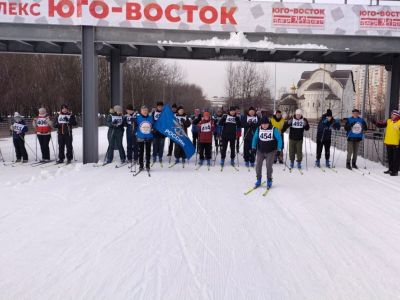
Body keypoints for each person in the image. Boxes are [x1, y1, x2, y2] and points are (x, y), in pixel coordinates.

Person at [252, 116, 282, 189]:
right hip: (260, 151)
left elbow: (279, 139)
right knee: (258, 165)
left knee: (269, 166)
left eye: (266, 124)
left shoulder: (273, 129)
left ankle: (269, 179)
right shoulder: (258, 129)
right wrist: (253, 147)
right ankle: (258, 179)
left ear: (268, 124)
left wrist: (279, 149)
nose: (264, 125)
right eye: (263, 124)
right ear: (261, 124)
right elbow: (255, 138)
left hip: (270, 151)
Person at [373, 110, 400, 176]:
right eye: (392, 114)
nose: (392, 116)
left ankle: (395, 171)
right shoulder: (389, 121)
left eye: (393, 115)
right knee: (390, 157)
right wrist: (374, 122)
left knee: (396, 158)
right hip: (388, 142)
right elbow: (381, 125)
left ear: (397, 115)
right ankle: (390, 169)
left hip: (396, 144)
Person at [135, 105, 154, 171]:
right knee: (141, 152)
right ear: (141, 111)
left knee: (148, 152)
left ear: (147, 111)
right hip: (140, 137)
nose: (145, 112)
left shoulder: (150, 117)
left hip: (149, 136)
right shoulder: (138, 117)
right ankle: (141, 165)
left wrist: (153, 129)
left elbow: (153, 125)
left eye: (146, 110)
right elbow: (135, 126)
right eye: (143, 110)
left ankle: (147, 165)